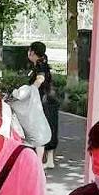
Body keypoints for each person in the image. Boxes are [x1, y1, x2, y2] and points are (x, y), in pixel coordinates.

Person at [28, 41, 59, 169]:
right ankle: (49, 160)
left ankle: (39, 161)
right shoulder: (43, 63)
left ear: (32, 52)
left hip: (44, 102)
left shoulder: (40, 65)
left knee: (41, 129)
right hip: (50, 101)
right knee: (51, 128)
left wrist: (31, 89)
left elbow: (40, 79)